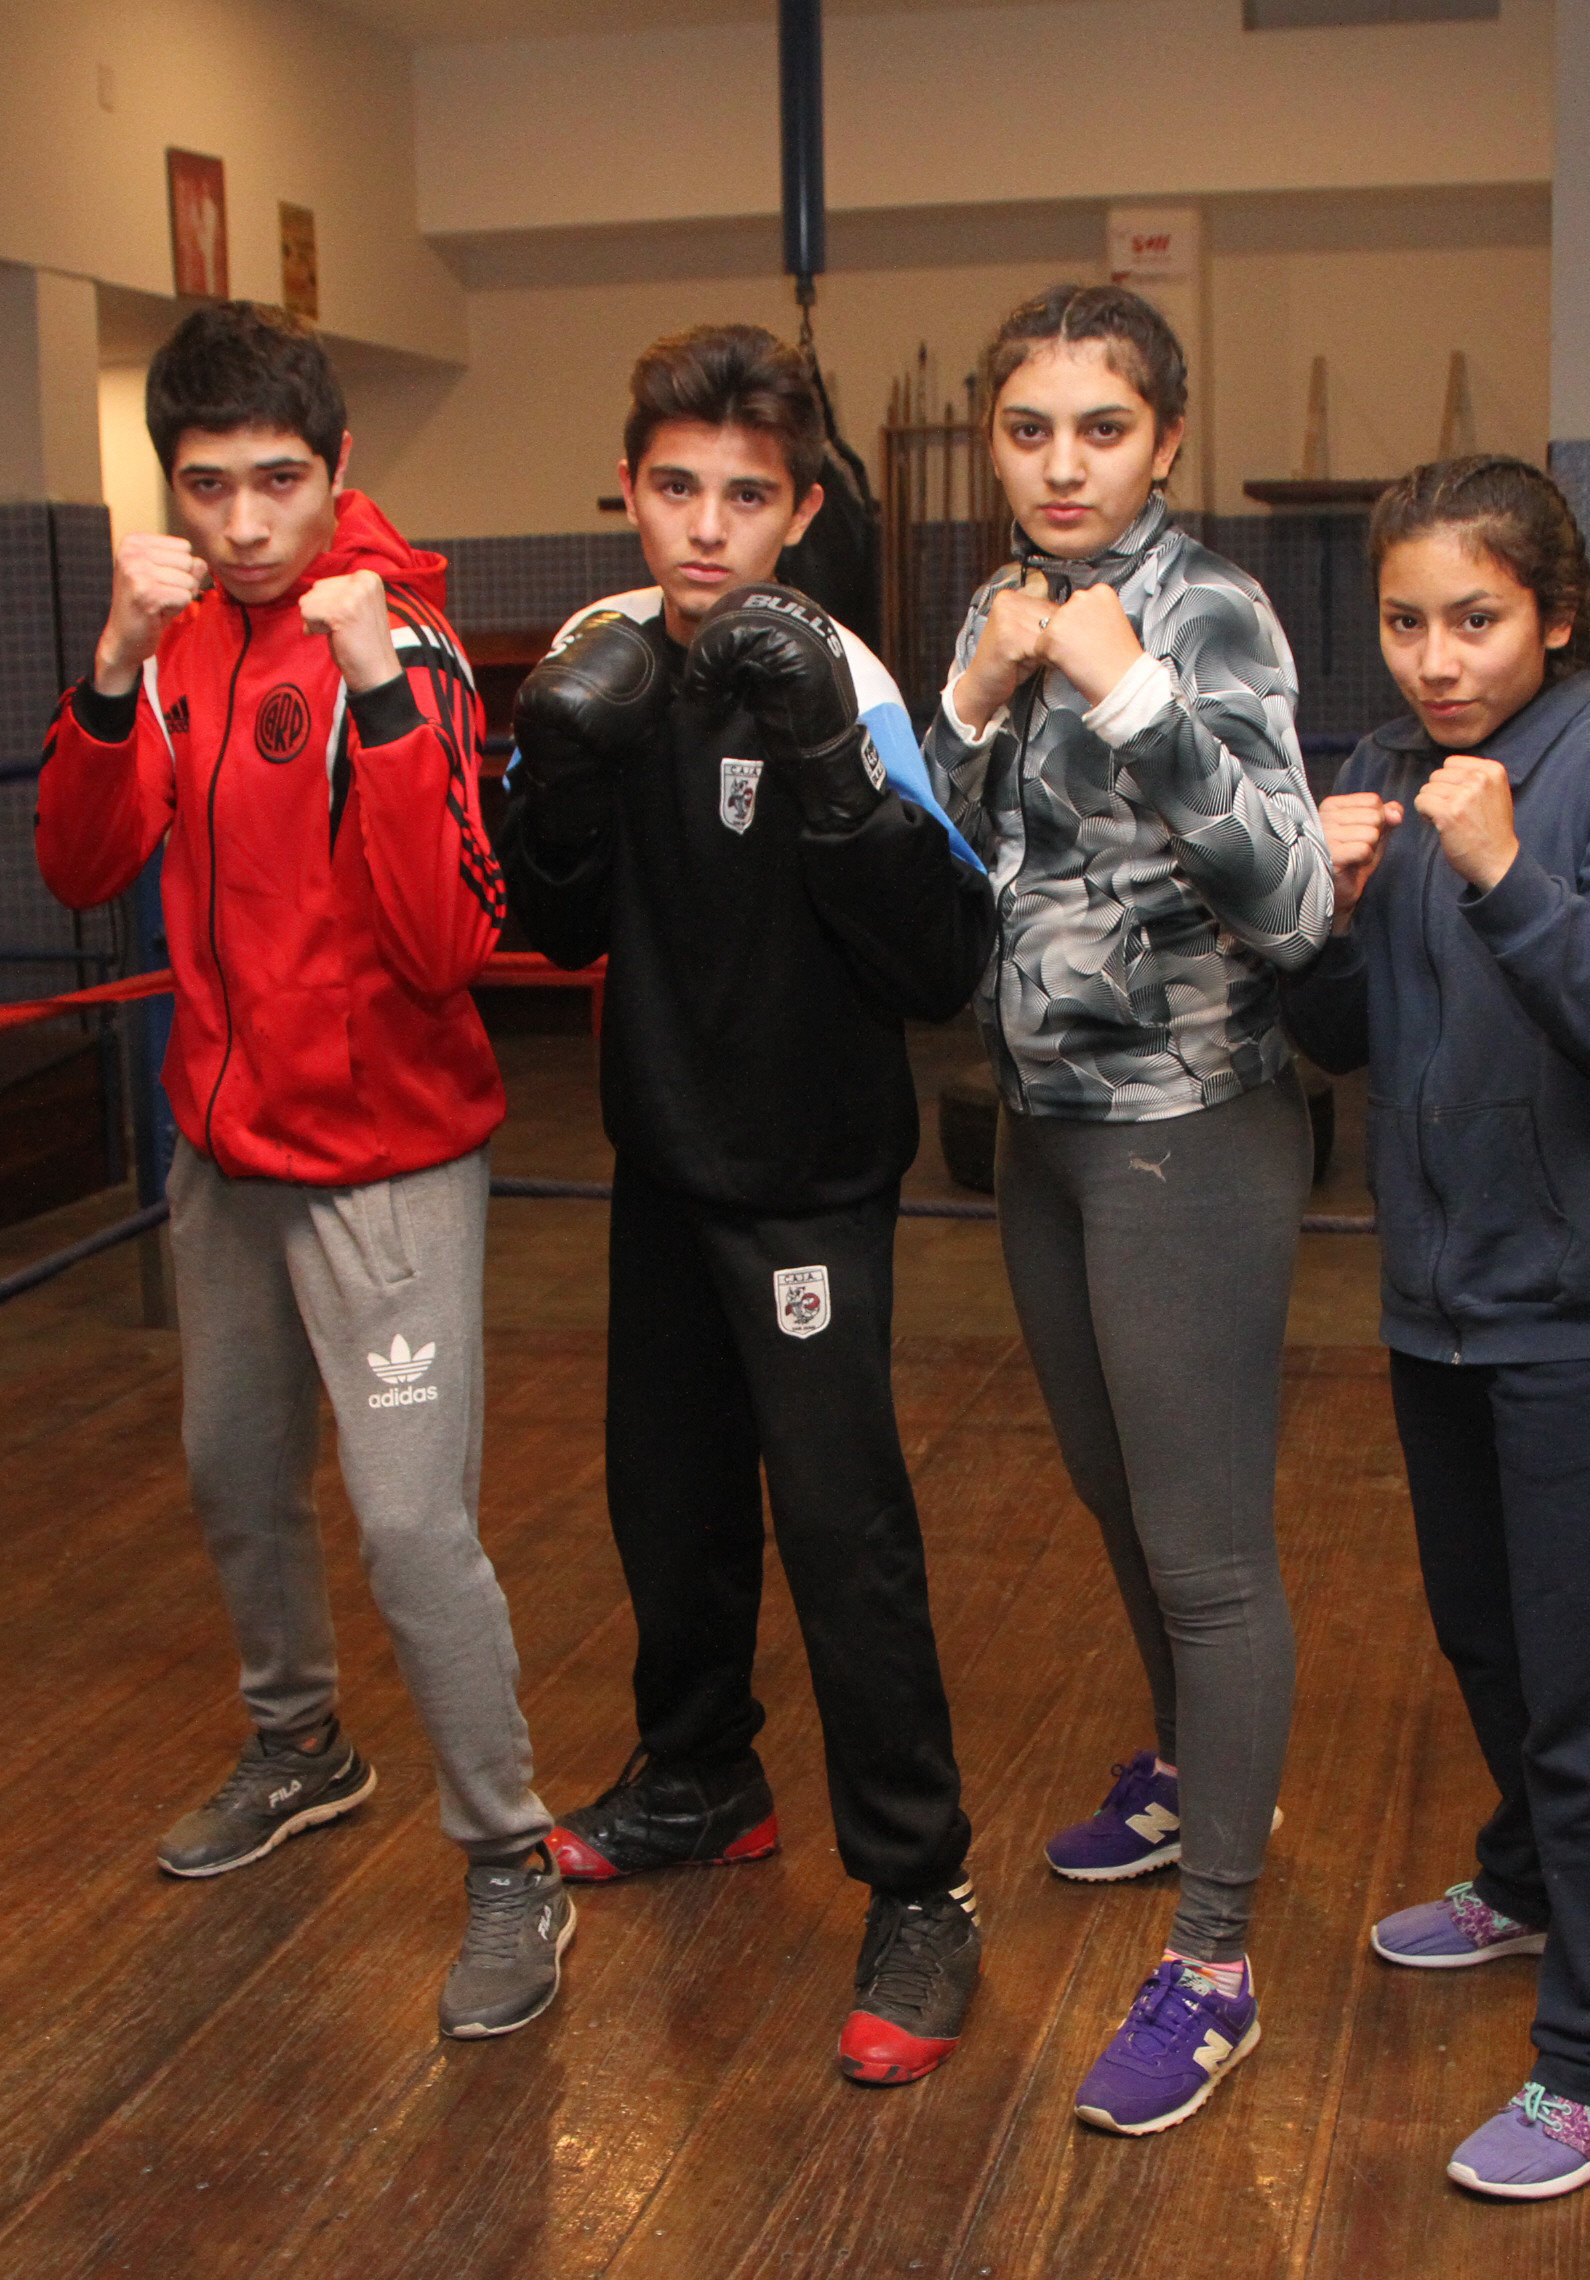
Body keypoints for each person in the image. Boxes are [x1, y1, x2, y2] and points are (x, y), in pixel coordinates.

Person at [35, 302, 569, 2039]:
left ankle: (510, 1858)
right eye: (209, 488)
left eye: (279, 481)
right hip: (221, 1144)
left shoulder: (404, 642)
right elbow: (81, 864)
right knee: (231, 1474)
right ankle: (300, 1747)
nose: (247, 523)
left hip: (383, 1160)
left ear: (338, 468)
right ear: (171, 489)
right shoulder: (180, 639)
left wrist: (377, 690)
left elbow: (446, 943)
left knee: (411, 1528)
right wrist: (111, 664)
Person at [497, 323, 994, 2086]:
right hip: (661, 1156)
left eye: (746, 496)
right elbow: (556, 927)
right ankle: (701, 1776)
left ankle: (922, 1886)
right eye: (674, 488)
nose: (705, 528)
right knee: (667, 1501)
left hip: (807, 1183)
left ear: (799, 512)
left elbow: (940, 963)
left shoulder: (848, 678)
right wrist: (555, 773)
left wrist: (837, 775)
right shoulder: (602, 654)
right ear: (629, 490)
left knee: (842, 1535)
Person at [923, 283, 1331, 2136]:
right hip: (1044, 1130)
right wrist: (973, 697)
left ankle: (1217, 1965)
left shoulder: (1209, 610)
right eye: (1030, 430)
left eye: (1102, 429)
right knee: (1111, 1495)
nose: (1063, 464)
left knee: (1208, 1553)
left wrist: (1127, 688)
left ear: (1165, 439)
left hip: (1191, 1131)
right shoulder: (995, 609)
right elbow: (938, 863)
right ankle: (1184, 1774)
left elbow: (1292, 894)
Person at [1281, 456, 1590, 2199]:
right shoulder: (1385, 767)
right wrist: (1318, 913)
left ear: (1556, 614)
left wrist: (1507, 869)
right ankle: (1526, 1887)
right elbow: (1336, 1035)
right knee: (1489, 1646)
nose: (1436, 660)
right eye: (1405, 622)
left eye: (1475, 619)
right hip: (1436, 1305)